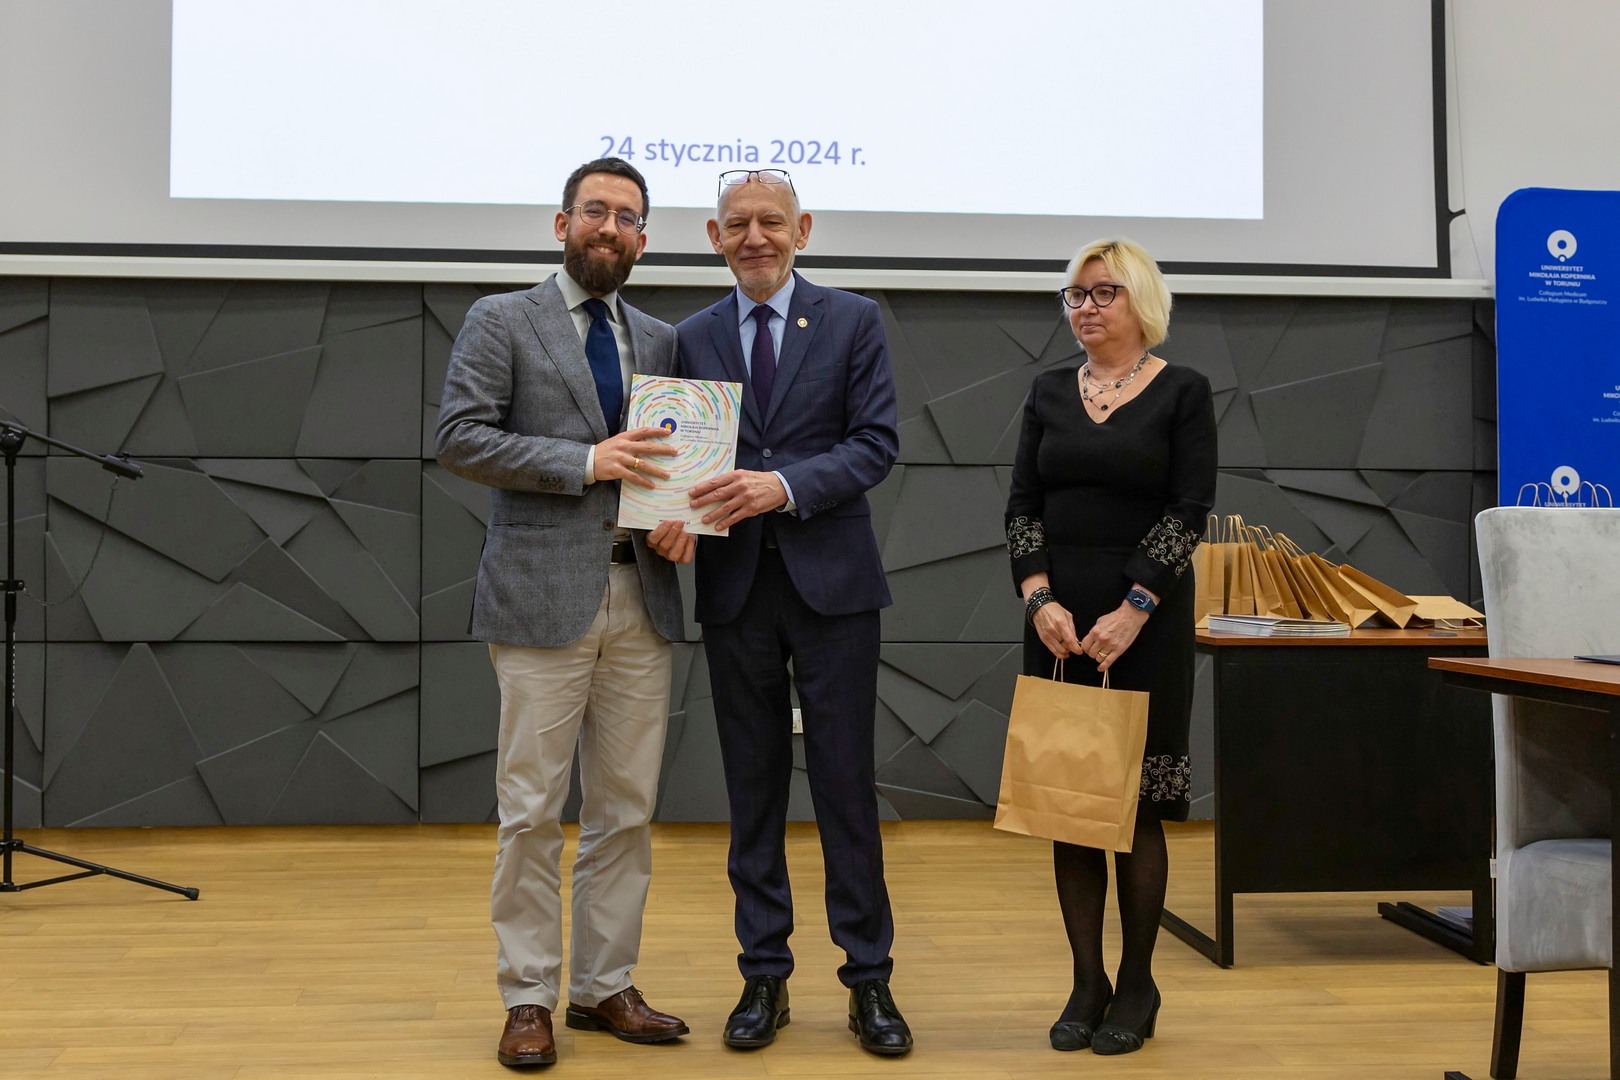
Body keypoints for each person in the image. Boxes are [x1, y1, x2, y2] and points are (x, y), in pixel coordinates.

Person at [435, 157, 695, 1069]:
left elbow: (675, 464)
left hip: (643, 597)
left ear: (643, 239)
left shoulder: (662, 340)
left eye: (627, 217)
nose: (609, 228)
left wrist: (683, 521)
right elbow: (459, 437)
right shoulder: (502, 319)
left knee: (625, 811)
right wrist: (585, 462)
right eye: (595, 211)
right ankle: (527, 995)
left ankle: (602, 985)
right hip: (539, 598)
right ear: (562, 223)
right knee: (531, 812)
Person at [647, 168, 910, 1056]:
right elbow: (676, 457)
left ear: (804, 228)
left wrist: (783, 486)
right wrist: (670, 517)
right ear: (714, 237)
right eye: (737, 224)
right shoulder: (689, 337)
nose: (754, 237)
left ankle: (869, 979)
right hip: (733, 591)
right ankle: (763, 975)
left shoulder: (853, 319)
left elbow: (875, 444)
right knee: (752, 791)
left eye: (771, 221)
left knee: (845, 787)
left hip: (834, 589)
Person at [1004, 238, 1217, 1056]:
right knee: (1069, 804)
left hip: (1145, 622)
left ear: (1141, 301)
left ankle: (1137, 984)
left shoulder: (1183, 391)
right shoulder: (1047, 391)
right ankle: (1086, 981)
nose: (1085, 307)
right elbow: (1022, 506)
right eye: (1076, 294)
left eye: (1104, 293)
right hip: (1058, 624)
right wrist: (1038, 598)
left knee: (1134, 809)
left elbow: (1188, 509)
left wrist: (1134, 607)